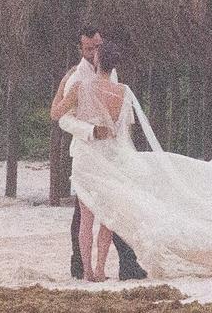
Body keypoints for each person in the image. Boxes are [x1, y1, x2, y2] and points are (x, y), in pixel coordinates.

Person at [51, 41, 212, 279]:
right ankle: (100, 269)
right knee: (107, 217)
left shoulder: (80, 86)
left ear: (96, 60)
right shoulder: (124, 92)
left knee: (86, 218)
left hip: (89, 157)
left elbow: (56, 114)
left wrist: (64, 83)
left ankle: (87, 271)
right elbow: (125, 128)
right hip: (113, 156)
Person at [52, 26, 147, 280]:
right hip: (88, 149)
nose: (94, 51)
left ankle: (109, 266)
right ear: (81, 49)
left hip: (108, 153)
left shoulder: (111, 76)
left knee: (104, 213)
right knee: (87, 216)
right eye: (89, 48)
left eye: (97, 46)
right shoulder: (76, 78)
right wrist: (92, 130)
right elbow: (63, 119)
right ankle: (84, 266)